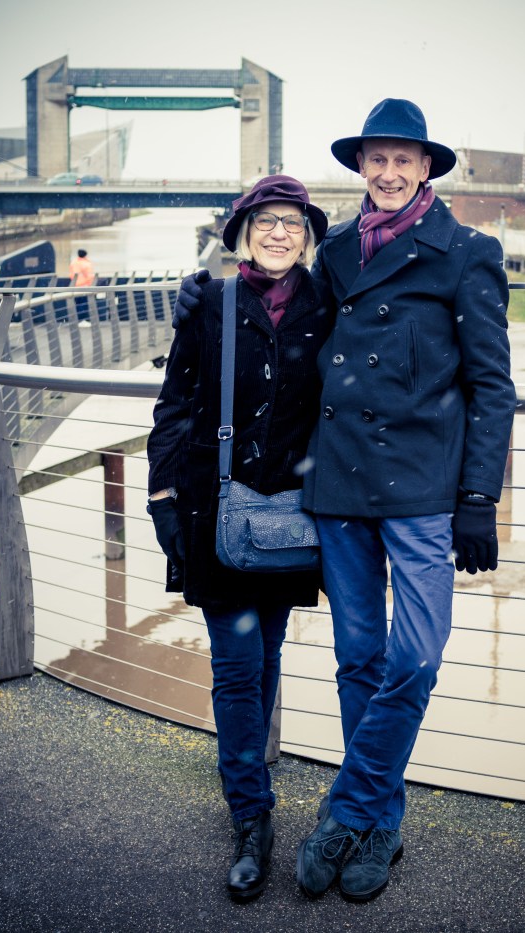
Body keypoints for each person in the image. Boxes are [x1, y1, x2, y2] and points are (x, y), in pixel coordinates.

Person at [175, 99, 516, 905]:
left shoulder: (468, 252)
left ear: (427, 166)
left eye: (405, 159)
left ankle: (350, 809)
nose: (390, 172)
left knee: (416, 658)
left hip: (426, 494)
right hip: (337, 490)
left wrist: (477, 496)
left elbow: (492, 385)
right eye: (377, 159)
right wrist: (206, 300)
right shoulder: (333, 253)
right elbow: (275, 303)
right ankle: (384, 826)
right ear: (360, 167)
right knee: (359, 658)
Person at [146, 175, 330, 902]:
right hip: (217, 512)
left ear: (309, 235)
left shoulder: (328, 306)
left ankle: (248, 770)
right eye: (265, 220)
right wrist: (161, 492)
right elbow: (175, 404)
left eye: (292, 221)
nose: (279, 232)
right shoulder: (213, 302)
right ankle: (251, 818)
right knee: (235, 665)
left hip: (291, 519)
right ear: (241, 230)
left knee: (266, 656)